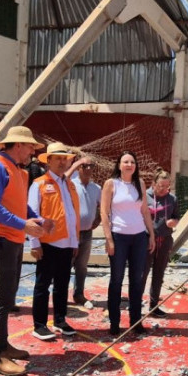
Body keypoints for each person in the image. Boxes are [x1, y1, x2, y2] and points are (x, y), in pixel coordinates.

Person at [0, 125, 50, 376]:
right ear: (18, 145)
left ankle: (3, 345)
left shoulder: (18, 171)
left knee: (8, 295)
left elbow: (19, 205)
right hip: (1, 237)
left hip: (12, 237)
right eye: (30, 146)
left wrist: (37, 220)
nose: (33, 151)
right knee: (3, 298)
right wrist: (24, 224)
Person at [29, 142, 79, 340]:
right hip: (48, 243)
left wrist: (74, 242)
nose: (61, 162)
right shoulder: (39, 184)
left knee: (62, 284)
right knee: (42, 285)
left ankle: (60, 320)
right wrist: (34, 243)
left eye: (64, 158)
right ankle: (39, 325)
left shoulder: (69, 184)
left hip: (67, 243)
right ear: (48, 161)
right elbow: (32, 214)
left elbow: (72, 214)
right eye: (57, 158)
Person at [101, 151, 155, 336]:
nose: (129, 165)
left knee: (136, 280)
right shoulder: (111, 184)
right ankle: (114, 322)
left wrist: (151, 234)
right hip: (119, 237)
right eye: (125, 162)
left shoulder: (140, 183)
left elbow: (145, 211)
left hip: (139, 237)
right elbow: (104, 213)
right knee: (116, 280)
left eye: (132, 162)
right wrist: (109, 239)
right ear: (119, 165)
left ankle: (136, 321)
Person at [142, 169, 179, 318]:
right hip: (146, 240)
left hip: (164, 240)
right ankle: (135, 304)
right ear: (153, 183)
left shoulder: (172, 199)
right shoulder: (144, 196)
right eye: (160, 186)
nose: (163, 189)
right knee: (142, 273)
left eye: (166, 186)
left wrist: (174, 222)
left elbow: (176, 216)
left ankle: (153, 305)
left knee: (159, 273)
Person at [66, 155, 101, 308]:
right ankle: (61, 296)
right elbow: (61, 180)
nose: (87, 169)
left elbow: (102, 206)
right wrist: (76, 164)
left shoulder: (96, 188)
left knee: (82, 266)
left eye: (90, 166)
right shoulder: (70, 184)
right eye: (84, 166)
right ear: (78, 168)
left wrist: (98, 219)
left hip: (87, 234)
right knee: (66, 265)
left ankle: (78, 294)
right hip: (71, 233)